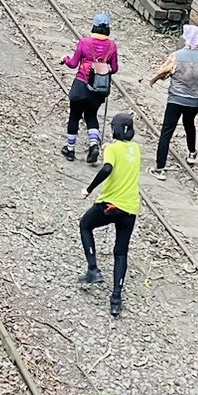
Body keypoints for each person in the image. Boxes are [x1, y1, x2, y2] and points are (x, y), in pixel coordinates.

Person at [78, 112, 141, 318]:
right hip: (130, 208)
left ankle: (93, 269)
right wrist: (110, 148)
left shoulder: (112, 150)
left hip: (110, 205)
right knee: (120, 252)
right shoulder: (136, 150)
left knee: (85, 225)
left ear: (114, 129)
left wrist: (89, 189)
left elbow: (107, 169)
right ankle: (116, 300)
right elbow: (123, 152)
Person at [149, 23, 198, 178]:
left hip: (176, 99)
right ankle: (192, 153)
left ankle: (160, 168)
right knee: (189, 123)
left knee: (167, 132)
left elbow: (163, 72)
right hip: (195, 101)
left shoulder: (176, 56)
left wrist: (154, 80)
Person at [61, 13, 119, 164]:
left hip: (81, 85)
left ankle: (70, 149)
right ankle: (94, 145)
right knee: (91, 115)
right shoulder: (112, 46)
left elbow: (73, 64)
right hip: (98, 89)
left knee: (74, 116)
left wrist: (65, 59)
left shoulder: (85, 42)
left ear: (94, 26)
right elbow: (114, 68)